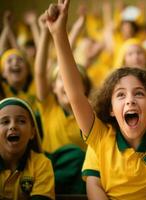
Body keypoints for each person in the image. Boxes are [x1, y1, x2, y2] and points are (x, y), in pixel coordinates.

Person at [44, 0, 146, 199]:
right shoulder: (101, 138)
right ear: (110, 109)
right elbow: (75, 95)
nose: (130, 100)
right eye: (120, 95)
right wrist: (59, 35)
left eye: (139, 93)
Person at [34, 12, 91, 194]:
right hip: (51, 171)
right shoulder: (48, 107)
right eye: (61, 79)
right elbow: (40, 73)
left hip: (80, 178)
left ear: (83, 88)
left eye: (73, 81)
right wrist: (44, 31)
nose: (66, 84)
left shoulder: (90, 113)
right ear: (52, 86)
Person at [0, 97, 55, 199]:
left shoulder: (42, 164)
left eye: (21, 121)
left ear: (32, 132)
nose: (13, 126)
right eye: (5, 122)